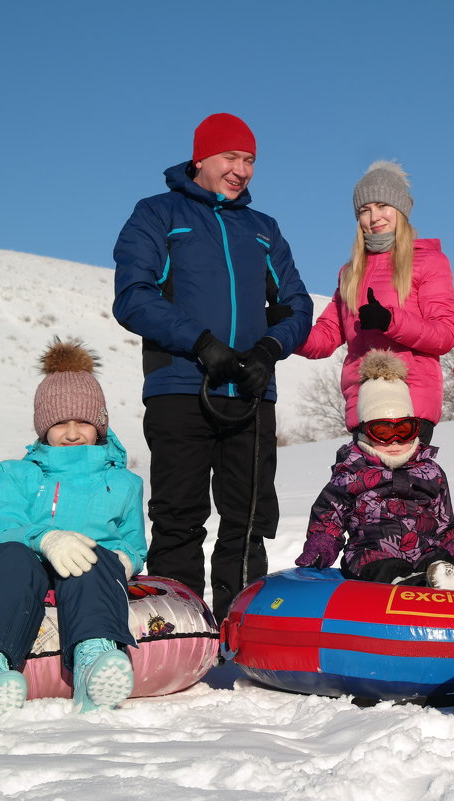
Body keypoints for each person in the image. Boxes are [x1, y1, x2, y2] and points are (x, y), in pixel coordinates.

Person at [113, 112, 313, 622]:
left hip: (249, 392)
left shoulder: (263, 229)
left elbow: (297, 305)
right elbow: (134, 296)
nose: (241, 170)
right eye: (231, 157)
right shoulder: (158, 213)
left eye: (249, 161)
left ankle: (242, 628)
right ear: (200, 158)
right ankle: (178, 629)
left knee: (248, 518)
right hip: (181, 386)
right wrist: (202, 344)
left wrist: (267, 351)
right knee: (179, 516)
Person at [0, 339, 146, 723]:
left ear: (100, 424)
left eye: (83, 422)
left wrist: (121, 561)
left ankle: (94, 660)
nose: (72, 433)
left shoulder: (125, 483)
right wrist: (46, 538)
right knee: (9, 556)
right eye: (60, 423)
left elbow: (134, 542)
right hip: (24, 563)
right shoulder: (17, 473)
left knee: (93, 557)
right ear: (44, 427)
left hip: (91, 571)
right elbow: (2, 527)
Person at [296, 350, 454, 593]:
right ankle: (423, 585)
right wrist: (319, 549)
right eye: (382, 431)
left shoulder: (430, 471)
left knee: (443, 563)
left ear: (415, 429)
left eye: (404, 429)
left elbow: (444, 524)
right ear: (365, 433)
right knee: (387, 569)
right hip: (372, 554)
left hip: (426, 551)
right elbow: (329, 519)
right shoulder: (351, 472)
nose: (394, 441)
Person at [296, 161, 454, 444]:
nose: (374, 217)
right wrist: (286, 330)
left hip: (410, 405)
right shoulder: (350, 272)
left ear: (400, 208)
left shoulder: (429, 261)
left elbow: (444, 335)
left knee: (409, 488)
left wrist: (390, 321)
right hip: (364, 405)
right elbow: (326, 337)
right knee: (364, 489)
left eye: (382, 205)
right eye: (364, 210)